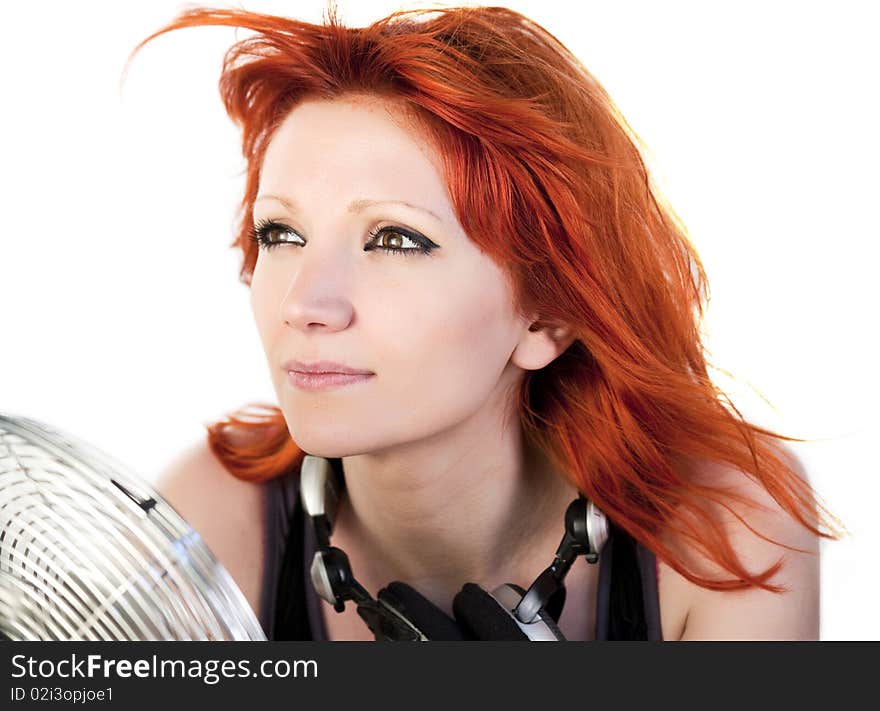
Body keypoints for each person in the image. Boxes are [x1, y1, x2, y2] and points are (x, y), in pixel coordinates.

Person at [133, 3, 845, 640]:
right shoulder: (202, 529)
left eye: (395, 239)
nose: (304, 303)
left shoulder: (728, 533)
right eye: (282, 233)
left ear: (548, 315)